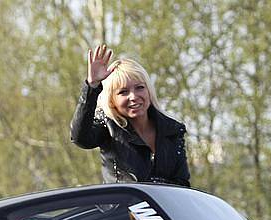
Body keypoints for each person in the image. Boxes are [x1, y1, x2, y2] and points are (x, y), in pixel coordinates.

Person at [70, 44, 190, 187]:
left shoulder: (173, 130)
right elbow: (79, 138)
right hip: (120, 208)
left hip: (162, 207)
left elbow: (182, 185)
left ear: (149, 91)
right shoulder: (107, 127)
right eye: (123, 92)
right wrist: (92, 87)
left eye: (139, 88)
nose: (133, 96)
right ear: (111, 100)